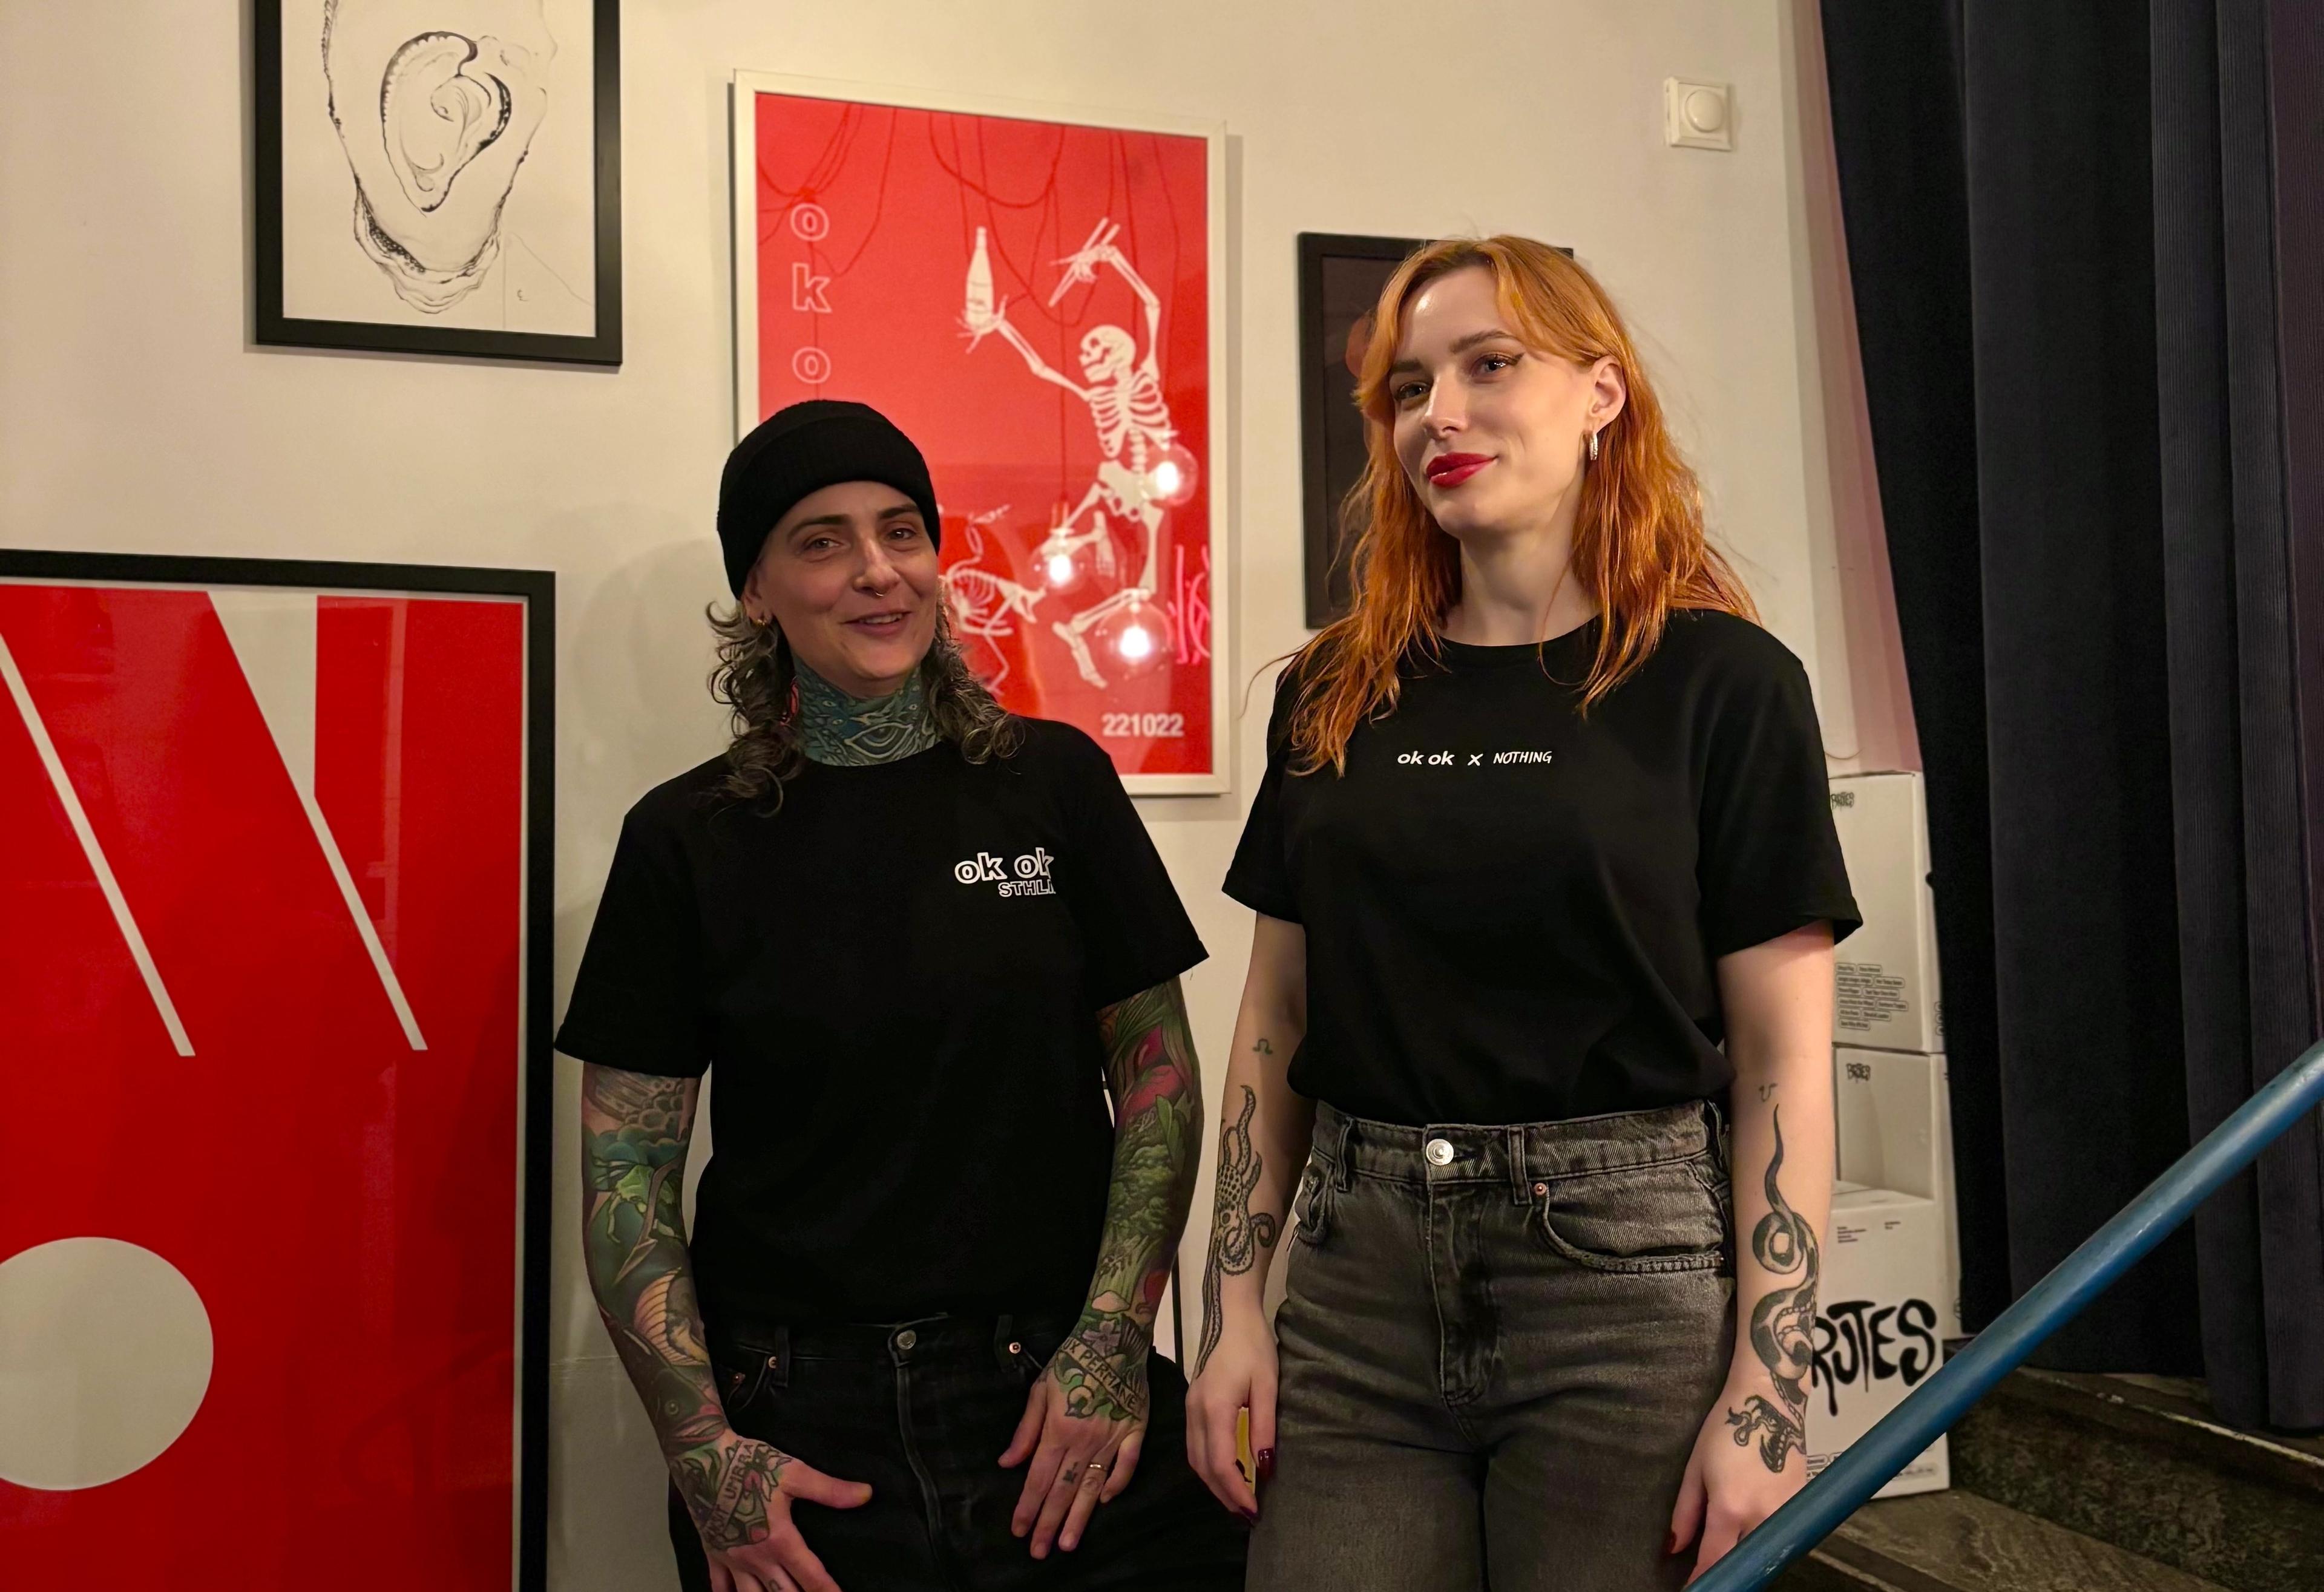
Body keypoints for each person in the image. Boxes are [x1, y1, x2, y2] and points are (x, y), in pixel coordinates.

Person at [1184, 238, 1860, 1591]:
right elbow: (1277, 1017)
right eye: (1409, 386)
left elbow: (1782, 1058)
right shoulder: (1333, 691)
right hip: (1358, 1287)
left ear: (1601, 395)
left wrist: (1769, 1384)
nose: (1441, 412)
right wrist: (1232, 1306)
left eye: (1490, 365)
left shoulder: (1723, 681)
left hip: (1624, 1287)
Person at [557, 400, 1248, 1592]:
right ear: (757, 591)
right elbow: (627, 1174)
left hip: (1059, 1400)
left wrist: (1110, 1341)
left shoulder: (1055, 784)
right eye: (822, 541)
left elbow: (1158, 1083)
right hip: (801, 1426)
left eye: (901, 531)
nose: (877, 571)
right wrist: (706, 1451)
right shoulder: (686, 838)